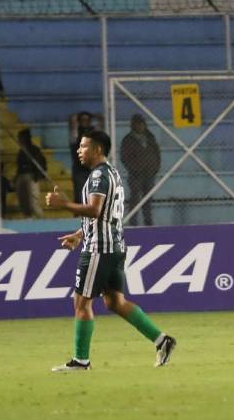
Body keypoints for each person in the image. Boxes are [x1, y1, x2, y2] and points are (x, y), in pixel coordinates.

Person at [45, 129, 177, 371]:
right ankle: (162, 340)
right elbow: (106, 216)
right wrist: (79, 234)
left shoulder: (97, 177)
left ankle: (81, 361)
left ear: (97, 150)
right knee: (115, 301)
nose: (79, 150)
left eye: (83, 146)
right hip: (114, 246)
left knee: (81, 302)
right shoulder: (112, 173)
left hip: (99, 249)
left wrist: (63, 204)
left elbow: (95, 211)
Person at [120, 114, 160, 226]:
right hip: (135, 175)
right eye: (137, 124)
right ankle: (133, 222)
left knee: (148, 200)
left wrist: (155, 168)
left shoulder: (150, 137)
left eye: (141, 124)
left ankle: (148, 222)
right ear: (133, 125)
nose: (140, 126)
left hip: (150, 173)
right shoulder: (128, 140)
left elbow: (157, 153)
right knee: (135, 199)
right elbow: (124, 157)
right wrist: (134, 169)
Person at [15, 128, 47, 218]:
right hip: (22, 177)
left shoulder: (34, 150)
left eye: (20, 138)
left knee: (33, 201)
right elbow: (19, 167)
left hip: (32, 177)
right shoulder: (21, 152)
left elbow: (40, 164)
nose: (19, 140)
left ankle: (40, 219)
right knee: (24, 201)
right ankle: (28, 218)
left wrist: (36, 176)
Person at [68, 111, 95, 198]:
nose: (85, 122)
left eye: (87, 120)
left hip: (92, 169)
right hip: (79, 170)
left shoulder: (94, 134)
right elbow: (72, 127)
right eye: (83, 120)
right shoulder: (76, 135)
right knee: (80, 196)